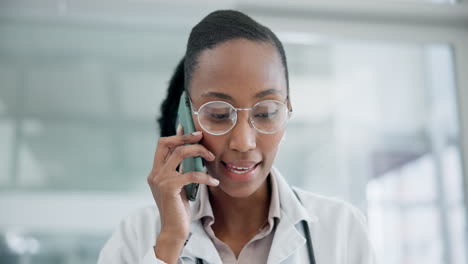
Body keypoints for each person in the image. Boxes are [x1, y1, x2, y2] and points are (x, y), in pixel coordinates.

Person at [98, 10, 376, 264]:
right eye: (218, 114)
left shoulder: (342, 229)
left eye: (266, 112)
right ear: (186, 114)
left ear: (287, 111)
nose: (244, 142)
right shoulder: (137, 236)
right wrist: (170, 240)